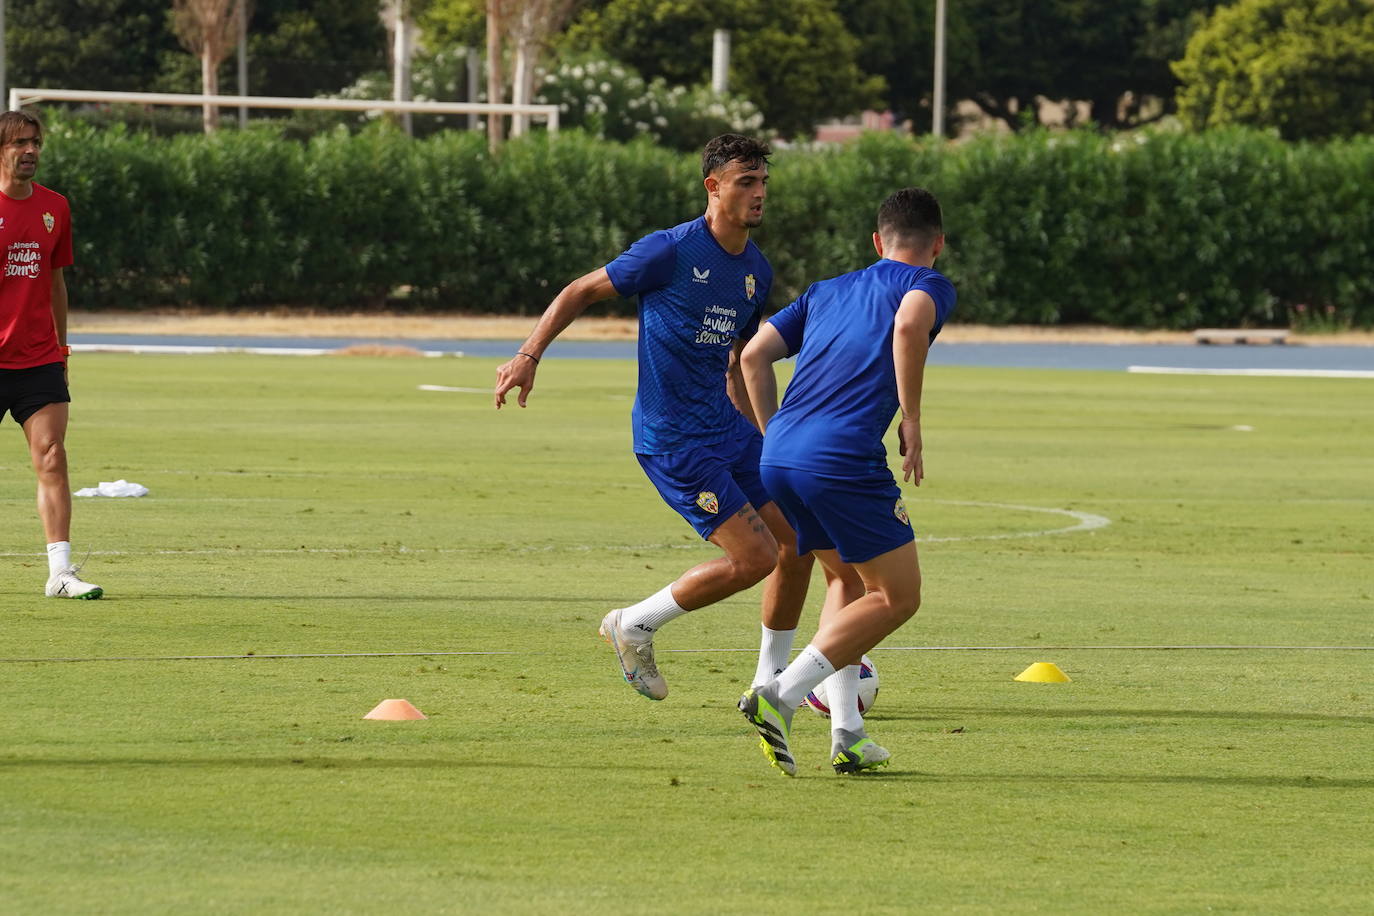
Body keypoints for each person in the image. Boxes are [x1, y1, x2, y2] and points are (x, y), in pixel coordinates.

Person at [494, 134, 813, 702]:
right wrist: (528, 355)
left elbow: (738, 361)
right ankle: (636, 622)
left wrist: (761, 439)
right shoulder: (669, 250)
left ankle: (769, 682)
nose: (759, 193)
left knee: (799, 543)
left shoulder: (756, 270)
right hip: (674, 440)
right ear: (713, 187)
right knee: (756, 558)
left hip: (727, 431)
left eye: (763, 182)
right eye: (746, 182)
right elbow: (579, 290)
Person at [736, 187, 957, 775]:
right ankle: (780, 694)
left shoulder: (824, 290)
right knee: (898, 597)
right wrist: (912, 418)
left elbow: (752, 356)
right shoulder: (928, 284)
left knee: (847, 579)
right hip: (842, 460)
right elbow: (908, 327)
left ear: (877, 242)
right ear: (938, 244)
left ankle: (848, 735)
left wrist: (776, 435)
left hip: (779, 455)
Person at [0, 110, 101, 599]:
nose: (30, 151)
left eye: (36, 143)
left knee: (53, 456)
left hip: (38, 358)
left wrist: (61, 347)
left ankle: (60, 573)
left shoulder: (55, 207)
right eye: (20, 142)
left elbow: (56, 281)